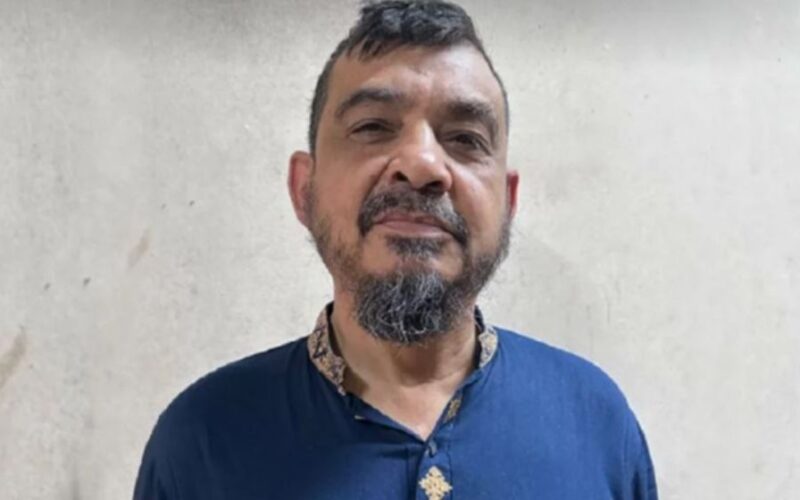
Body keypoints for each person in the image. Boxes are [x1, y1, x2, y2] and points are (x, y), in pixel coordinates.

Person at [133, 1, 658, 499]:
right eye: (373, 127)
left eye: (465, 138)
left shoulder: (597, 422)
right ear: (304, 190)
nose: (423, 164)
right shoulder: (202, 440)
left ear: (508, 202)